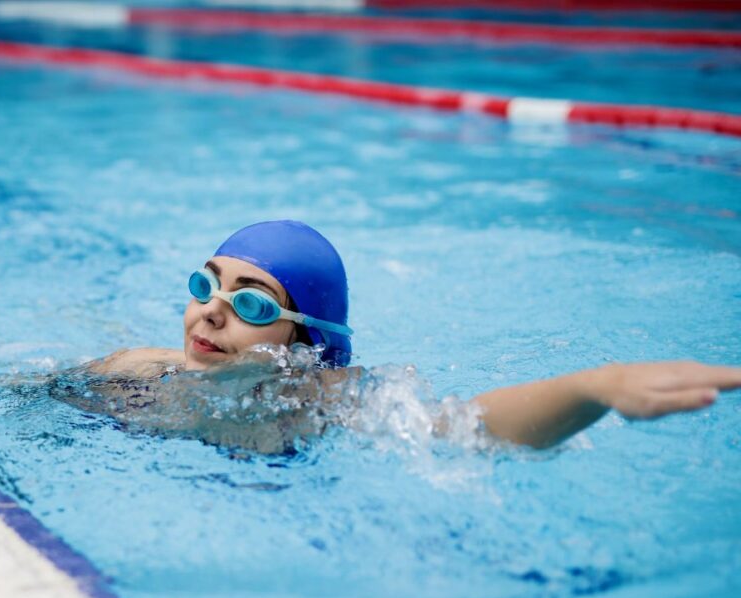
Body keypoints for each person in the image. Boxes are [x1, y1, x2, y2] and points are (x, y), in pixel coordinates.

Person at [88, 220, 741, 450]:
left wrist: (596, 386)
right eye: (205, 286)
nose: (211, 312)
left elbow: (467, 428)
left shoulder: (321, 403)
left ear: (303, 344)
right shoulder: (137, 370)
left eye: (253, 303)